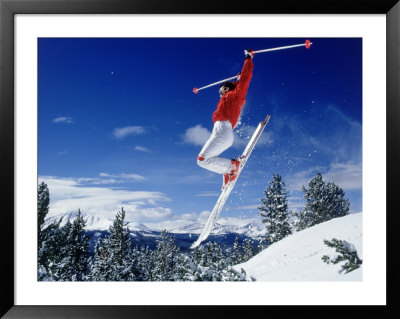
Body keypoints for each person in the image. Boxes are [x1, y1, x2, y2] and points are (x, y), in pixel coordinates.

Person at [197, 49, 254, 190]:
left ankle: (231, 167)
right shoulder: (228, 97)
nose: (220, 93)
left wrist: (248, 58)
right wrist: (238, 79)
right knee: (206, 160)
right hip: (220, 133)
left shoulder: (235, 95)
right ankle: (227, 171)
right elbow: (240, 80)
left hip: (223, 132)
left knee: (202, 160)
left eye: (221, 90)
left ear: (227, 88)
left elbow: (245, 79)